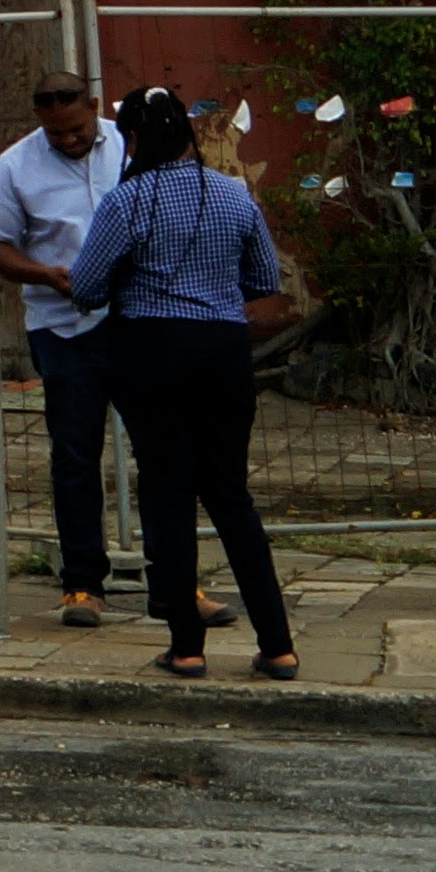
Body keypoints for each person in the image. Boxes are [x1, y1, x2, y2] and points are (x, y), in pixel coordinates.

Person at [64, 85, 304, 680]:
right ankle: (278, 645)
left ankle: (187, 647)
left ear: (137, 139)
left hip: (150, 351)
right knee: (230, 494)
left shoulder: (126, 201)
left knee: (167, 494)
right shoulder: (232, 192)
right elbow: (264, 277)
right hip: (224, 351)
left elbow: (87, 288)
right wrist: (212, 294)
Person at [0, 74, 131, 627]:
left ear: (94, 106)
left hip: (134, 320)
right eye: (56, 134)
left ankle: (178, 581)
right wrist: (47, 274)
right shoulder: (13, 167)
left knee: (165, 450)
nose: (68, 141)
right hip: (62, 324)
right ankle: (83, 584)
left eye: (76, 130)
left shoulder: (128, 144)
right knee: (74, 456)